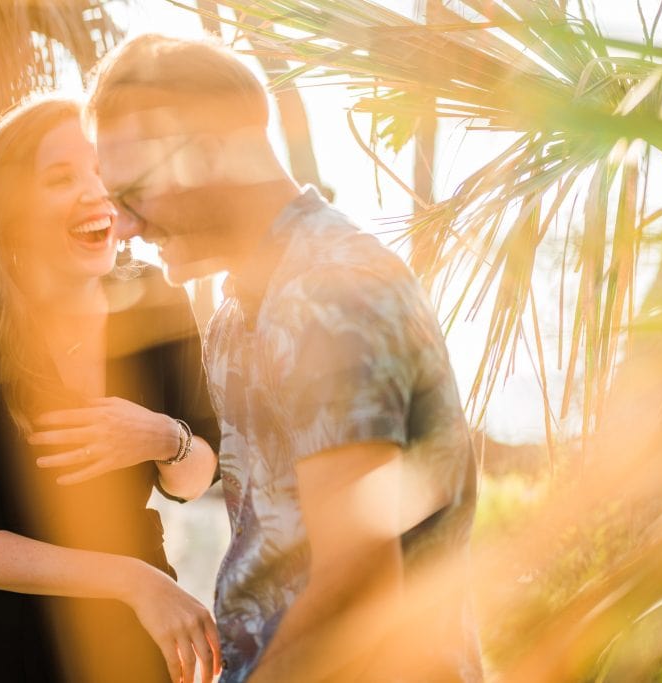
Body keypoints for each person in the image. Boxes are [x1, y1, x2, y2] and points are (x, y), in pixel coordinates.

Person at [71, 34, 485, 682]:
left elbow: (356, 587)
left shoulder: (333, 291)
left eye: (133, 194)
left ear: (208, 154)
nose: (122, 226)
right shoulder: (238, 317)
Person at [0, 95, 223, 683]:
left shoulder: (159, 300)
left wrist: (162, 437)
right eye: (62, 177)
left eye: (101, 170)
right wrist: (131, 579)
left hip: (128, 640)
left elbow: (196, 480)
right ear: (11, 207)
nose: (95, 192)